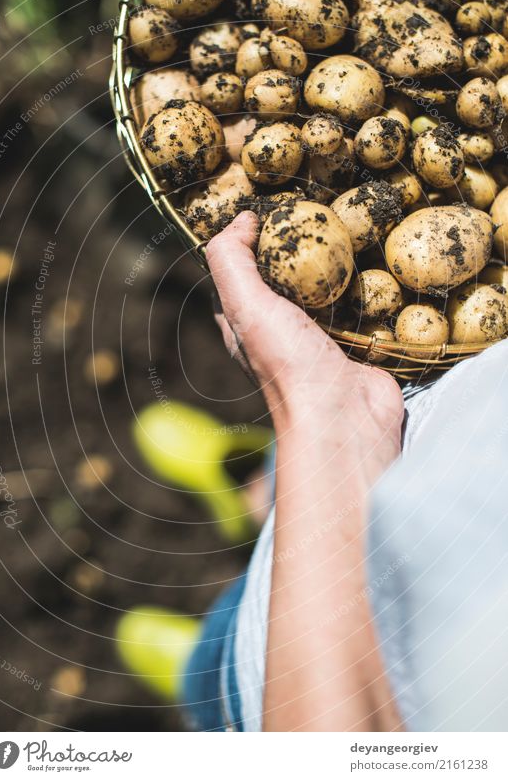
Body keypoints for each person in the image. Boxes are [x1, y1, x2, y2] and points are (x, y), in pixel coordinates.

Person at [117, 211, 508, 732]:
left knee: (235, 652)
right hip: (414, 422)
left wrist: (324, 411)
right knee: (294, 488)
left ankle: (205, 681)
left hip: (302, 664)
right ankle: (258, 496)